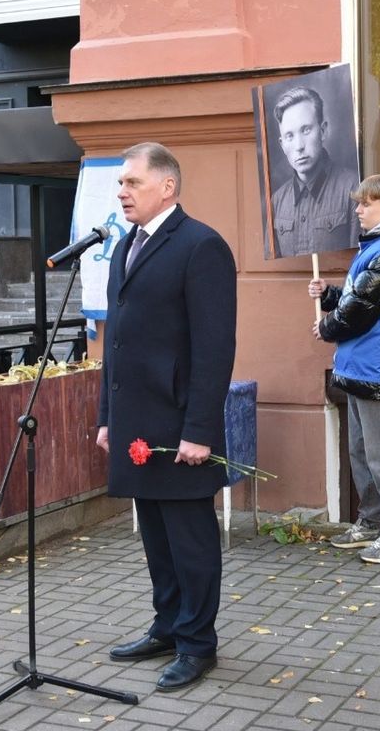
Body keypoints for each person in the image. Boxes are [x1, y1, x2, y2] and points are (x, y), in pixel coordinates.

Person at [97, 142, 237, 691]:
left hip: (180, 425)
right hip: (136, 423)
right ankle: (167, 627)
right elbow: (114, 343)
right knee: (155, 537)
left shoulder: (201, 246)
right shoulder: (124, 246)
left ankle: (197, 643)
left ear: (167, 186)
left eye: (132, 182)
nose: (122, 192)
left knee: (190, 540)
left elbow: (214, 347)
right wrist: (108, 417)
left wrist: (200, 430)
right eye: (121, 183)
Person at [308, 174, 380, 564]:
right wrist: (330, 296)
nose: (358, 210)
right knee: (362, 451)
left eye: (365, 203)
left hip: (378, 368)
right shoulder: (378, 247)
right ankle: (371, 523)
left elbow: (360, 310)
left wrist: (327, 326)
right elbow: (359, 297)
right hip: (364, 364)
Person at [270, 86, 361, 257]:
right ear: (282, 144)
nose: (299, 146)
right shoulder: (276, 201)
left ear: (323, 131)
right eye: (290, 136)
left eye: (306, 130)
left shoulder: (353, 188)